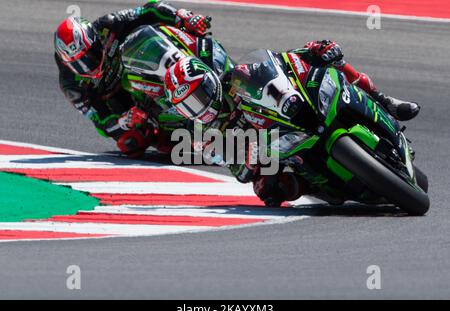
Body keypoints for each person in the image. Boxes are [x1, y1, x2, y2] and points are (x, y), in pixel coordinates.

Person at [164, 40, 422, 206]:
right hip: (283, 148)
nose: (200, 105)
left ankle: (385, 101)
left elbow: (279, 62)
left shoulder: (236, 77)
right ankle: (332, 187)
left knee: (329, 60)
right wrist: (250, 161)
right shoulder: (211, 134)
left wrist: (310, 51)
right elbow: (240, 173)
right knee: (268, 190)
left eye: (199, 96)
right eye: (190, 106)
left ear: (210, 81)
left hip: (294, 111)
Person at [54, 1, 211, 157]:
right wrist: (124, 121)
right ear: (67, 63)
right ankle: (174, 131)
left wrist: (182, 16)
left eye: (91, 54)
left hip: (143, 63)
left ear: (95, 39)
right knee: (129, 142)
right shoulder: (71, 84)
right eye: (78, 63)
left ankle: (204, 61)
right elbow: (100, 123)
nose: (88, 65)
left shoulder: (108, 26)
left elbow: (150, 9)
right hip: (126, 103)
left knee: (178, 28)